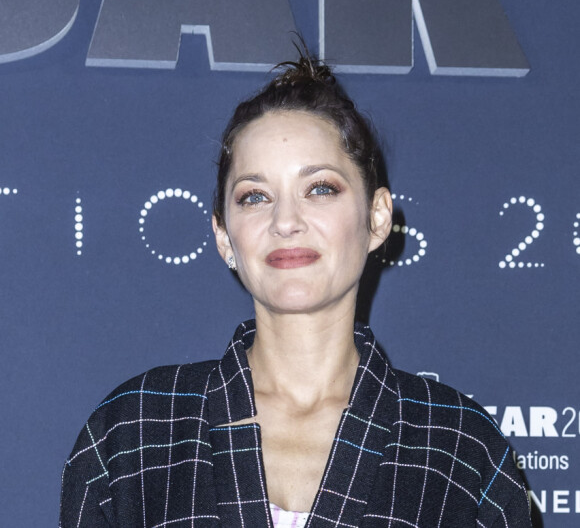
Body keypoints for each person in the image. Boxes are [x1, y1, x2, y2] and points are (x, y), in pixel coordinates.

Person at [60, 53, 532, 527]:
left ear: (377, 218)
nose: (285, 222)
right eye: (255, 196)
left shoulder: (460, 446)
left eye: (320, 189)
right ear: (225, 236)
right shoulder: (131, 431)